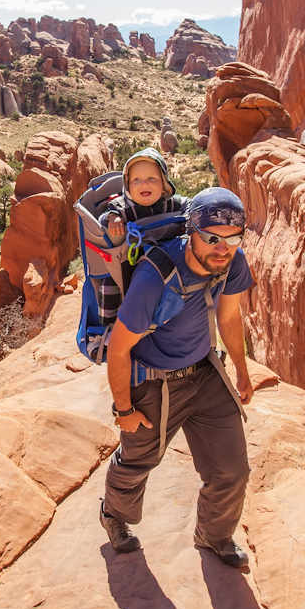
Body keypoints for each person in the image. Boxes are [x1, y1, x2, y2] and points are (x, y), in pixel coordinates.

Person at [99, 186, 255, 568]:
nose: (223, 247)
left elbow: (229, 317)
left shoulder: (232, 263)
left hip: (204, 374)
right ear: (192, 233)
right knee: (138, 461)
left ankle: (214, 536)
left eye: (233, 238)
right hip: (155, 382)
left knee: (232, 471)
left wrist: (242, 369)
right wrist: (124, 409)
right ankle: (114, 517)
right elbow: (119, 348)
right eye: (212, 238)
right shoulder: (157, 275)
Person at [95, 149, 189, 330]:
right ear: (127, 186)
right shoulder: (122, 207)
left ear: (164, 183)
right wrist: (114, 219)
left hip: (169, 258)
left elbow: (192, 204)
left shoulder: (172, 203)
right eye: (136, 180)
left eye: (152, 179)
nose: (143, 184)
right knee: (110, 284)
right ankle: (109, 328)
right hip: (132, 263)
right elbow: (104, 217)